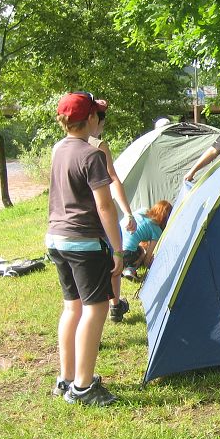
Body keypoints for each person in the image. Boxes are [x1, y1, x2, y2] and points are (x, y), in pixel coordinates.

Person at [46, 92, 123, 406]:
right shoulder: (91, 155)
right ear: (90, 118)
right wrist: (117, 249)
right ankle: (83, 387)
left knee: (72, 308)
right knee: (96, 309)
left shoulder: (57, 150)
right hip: (83, 243)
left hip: (56, 238)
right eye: (97, 114)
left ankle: (66, 379)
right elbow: (105, 206)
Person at [88, 102, 135, 322]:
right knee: (115, 256)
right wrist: (128, 212)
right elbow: (113, 179)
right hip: (101, 212)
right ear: (95, 121)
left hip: (75, 220)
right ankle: (115, 305)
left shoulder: (62, 146)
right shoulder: (98, 145)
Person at [120, 200, 173, 281]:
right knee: (142, 251)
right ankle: (130, 269)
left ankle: (122, 267)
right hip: (126, 253)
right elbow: (147, 260)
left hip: (114, 245)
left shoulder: (143, 210)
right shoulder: (157, 231)